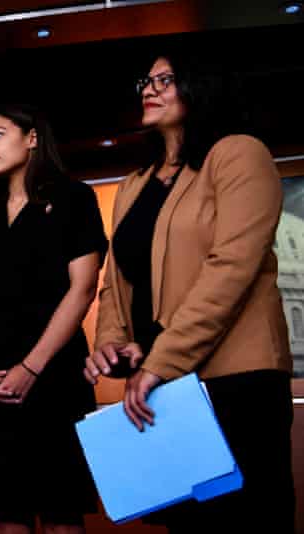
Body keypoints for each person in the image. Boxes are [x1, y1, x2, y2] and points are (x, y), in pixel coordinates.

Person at [85, 52, 294, 533]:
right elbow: (116, 282)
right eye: (147, 80)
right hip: (168, 388)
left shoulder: (240, 153)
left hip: (238, 382)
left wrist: (162, 360)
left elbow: (230, 270)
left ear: (201, 87)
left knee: (246, 522)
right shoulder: (134, 184)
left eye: (165, 79)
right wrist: (110, 344)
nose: (149, 88)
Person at [0, 104, 107, 534]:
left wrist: (31, 366)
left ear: (32, 138)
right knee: (8, 515)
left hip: (55, 375)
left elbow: (82, 289)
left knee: (61, 514)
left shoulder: (74, 199)